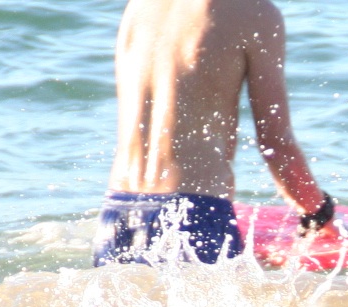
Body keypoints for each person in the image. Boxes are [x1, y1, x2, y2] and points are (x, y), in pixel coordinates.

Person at [94, 0, 335, 266]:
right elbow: (276, 144)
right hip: (193, 214)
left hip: (117, 213)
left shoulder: (140, 7)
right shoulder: (255, 12)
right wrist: (317, 214)